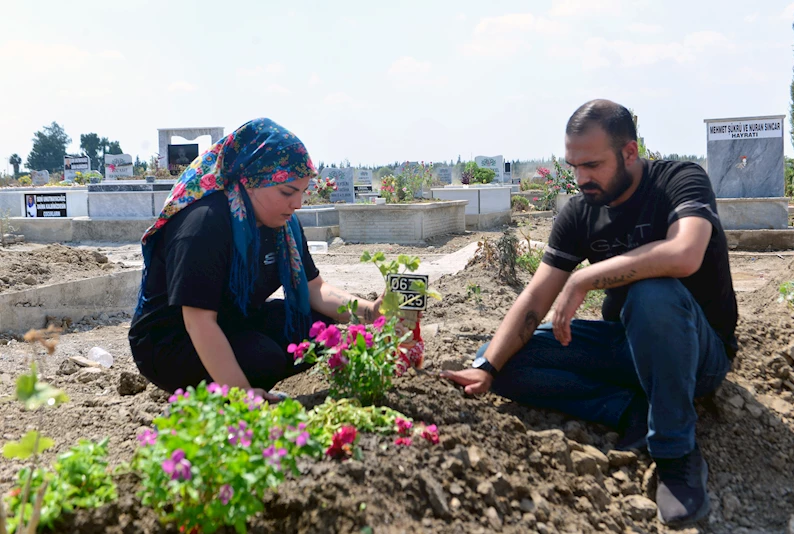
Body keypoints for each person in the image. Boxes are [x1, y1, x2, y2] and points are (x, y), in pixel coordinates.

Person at [443, 100, 737, 527]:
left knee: (651, 292)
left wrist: (585, 279)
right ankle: (630, 409)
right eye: (573, 166)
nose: (581, 178)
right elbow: (535, 297)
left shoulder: (679, 180)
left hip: (698, 354)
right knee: (502, 358)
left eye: (592, 165)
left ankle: (675, 451)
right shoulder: (579, 212)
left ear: (629, 153)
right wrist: (487, 367)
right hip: (628, 349)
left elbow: (685, 254)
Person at [129, 118, 381, 402]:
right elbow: (199, 322)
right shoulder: (205, 225)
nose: (297, 204)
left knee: (322, 330)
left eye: (301, 192)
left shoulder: (285, 225)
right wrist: (243, 397)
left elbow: (315, 289)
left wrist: (373, 312)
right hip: (171, 343)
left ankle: (241, 377)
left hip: (232, 319)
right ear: (250, 182)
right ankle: (223, 395)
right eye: (287, 192)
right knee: (264, 358)